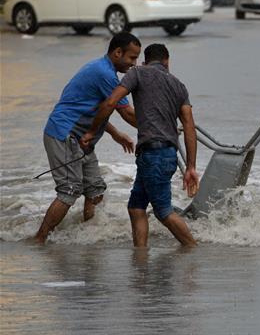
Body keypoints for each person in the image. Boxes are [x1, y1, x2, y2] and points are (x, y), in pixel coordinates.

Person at [80, 43, 199, 248]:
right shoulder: (179, 85)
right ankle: (141, 255)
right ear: (167, 62)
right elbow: (189, 126)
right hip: (164, 154)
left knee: (163, 212)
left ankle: (193, 250)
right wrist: (191, 166)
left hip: (153, 155)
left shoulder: (137, 73)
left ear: (145, 61)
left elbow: (111, 102)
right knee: (136, 208)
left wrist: (91, 131)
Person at [34, 33, 140, 244]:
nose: (134, 63)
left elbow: (95, 109)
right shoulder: (105, 74)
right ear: (118, 53)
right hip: (64, 134)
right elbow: (127, 113)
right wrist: (159, 127)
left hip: (80, 138)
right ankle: (39, 240)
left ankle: (87, 239)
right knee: (69, 190)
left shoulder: (101, 68)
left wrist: (116, 134)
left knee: (95, 190)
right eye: (132, 57)